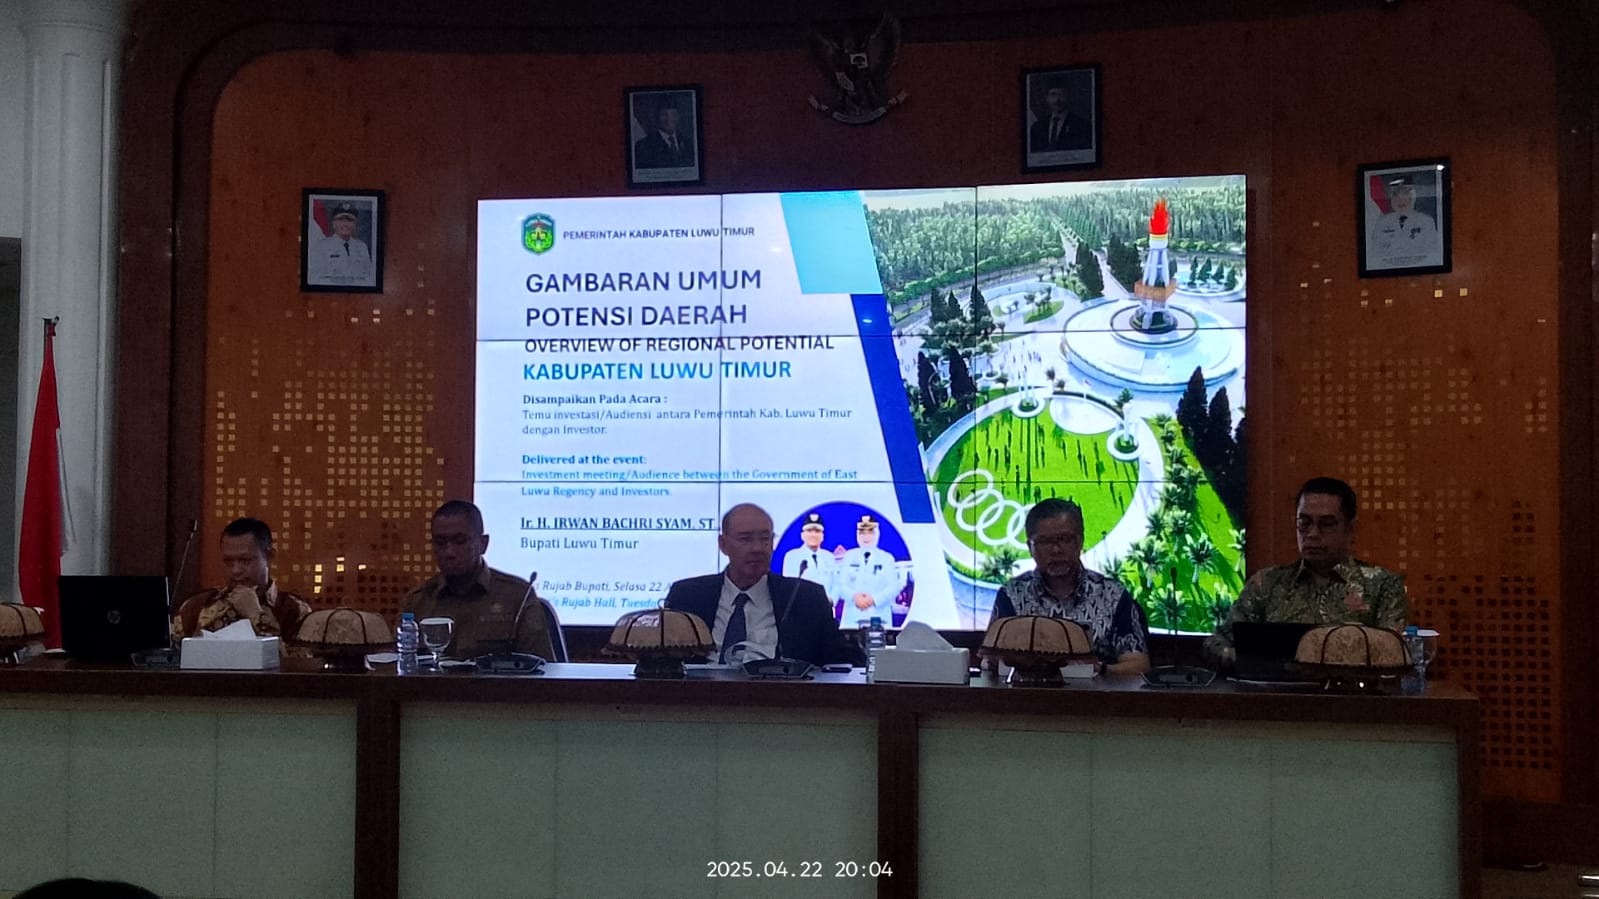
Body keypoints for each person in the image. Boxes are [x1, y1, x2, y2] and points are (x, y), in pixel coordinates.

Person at [1204, 477, 1408, 666]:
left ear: (1350, 529)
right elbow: (1215, 644)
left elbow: (1394, 656)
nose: (1313, 534)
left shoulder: (1381, 585)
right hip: (1274, 691)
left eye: (1326, 524)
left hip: (1350, 691)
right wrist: (1250, 660)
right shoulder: (1267, 584)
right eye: (1304, 523)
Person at [664, 503, 863, 667]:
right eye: (746, 539)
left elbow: (843, 659)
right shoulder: (688, 596)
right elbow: (663, 657)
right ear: (723, 544)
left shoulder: (806, 598)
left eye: (765, 539)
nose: (757, 548)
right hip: (701, 697)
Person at [990, 498, 1151, 675]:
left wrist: (1099, 670)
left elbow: (1138, 665)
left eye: (1065, 540)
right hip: (1029, 690)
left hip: (1097, 689)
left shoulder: (1113, 595)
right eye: (1045, 542)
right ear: (1030, 546)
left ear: (1080, 541)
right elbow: (992, 661)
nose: (1056, 550)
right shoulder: (1012, 595)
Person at [402, 500, 554, 660]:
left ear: (483, 544)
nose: (449, 552)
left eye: (460, 541)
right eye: (440, 543)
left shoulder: (517, 597)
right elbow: (400, 666)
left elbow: (543, 668)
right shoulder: (417, 602)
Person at [172, 517, 312, 642]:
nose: (236, 570)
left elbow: (295, 659)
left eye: (245, 561)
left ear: (269, 557)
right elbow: (170, 655)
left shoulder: (294, 610)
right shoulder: (197, 605)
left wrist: (255, 614)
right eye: (228, 562)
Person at [840, 513, 901, 628]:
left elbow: (894, 587)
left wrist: (874, 599)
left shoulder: (886, 558)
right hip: (852, 616)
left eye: (870, 532)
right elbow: (841, 584)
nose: (866, 537)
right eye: (862, 533)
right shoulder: (849, 556)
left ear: (877, 533)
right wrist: (854, 597)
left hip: (879, 616)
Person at [1367, 175, 1440, 268]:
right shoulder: (1382, 222)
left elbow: (1432, 253)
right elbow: (1375, 252)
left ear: (1413, 196)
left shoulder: (1427, 222)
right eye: (1395, 194)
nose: (1400, 199)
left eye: (1405, 193)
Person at [781, 511, 839, 603]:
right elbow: (789, 586)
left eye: (817, 531)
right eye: (809, 531)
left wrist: (831, 600)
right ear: (802, 535)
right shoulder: (792, 556)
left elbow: (837, 584)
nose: (813, 535)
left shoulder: (829, 557)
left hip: (826, 607)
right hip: (802, 607)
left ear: (822, 536)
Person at [309, 202, 373, 285]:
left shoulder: (362, 247)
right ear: (333, 224)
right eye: (341, 220)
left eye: (350, 220)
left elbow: (370, 278)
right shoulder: (321, 247)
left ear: (355, 224)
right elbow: (315, 279)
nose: (345, 224)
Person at [1028, 82, 1092, 153]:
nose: (1057, 100)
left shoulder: (1082, 126)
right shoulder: (1037, 127)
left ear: (1068, 97)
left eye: (1061, 94)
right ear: (1047, 98)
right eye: (1053, 94)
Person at [633, 102, 695, 169]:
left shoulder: (689, 143)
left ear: (678, 117)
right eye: (664, 114)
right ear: (657, 117)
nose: (669, 119)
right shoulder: (643, 146)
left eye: (673, 114)